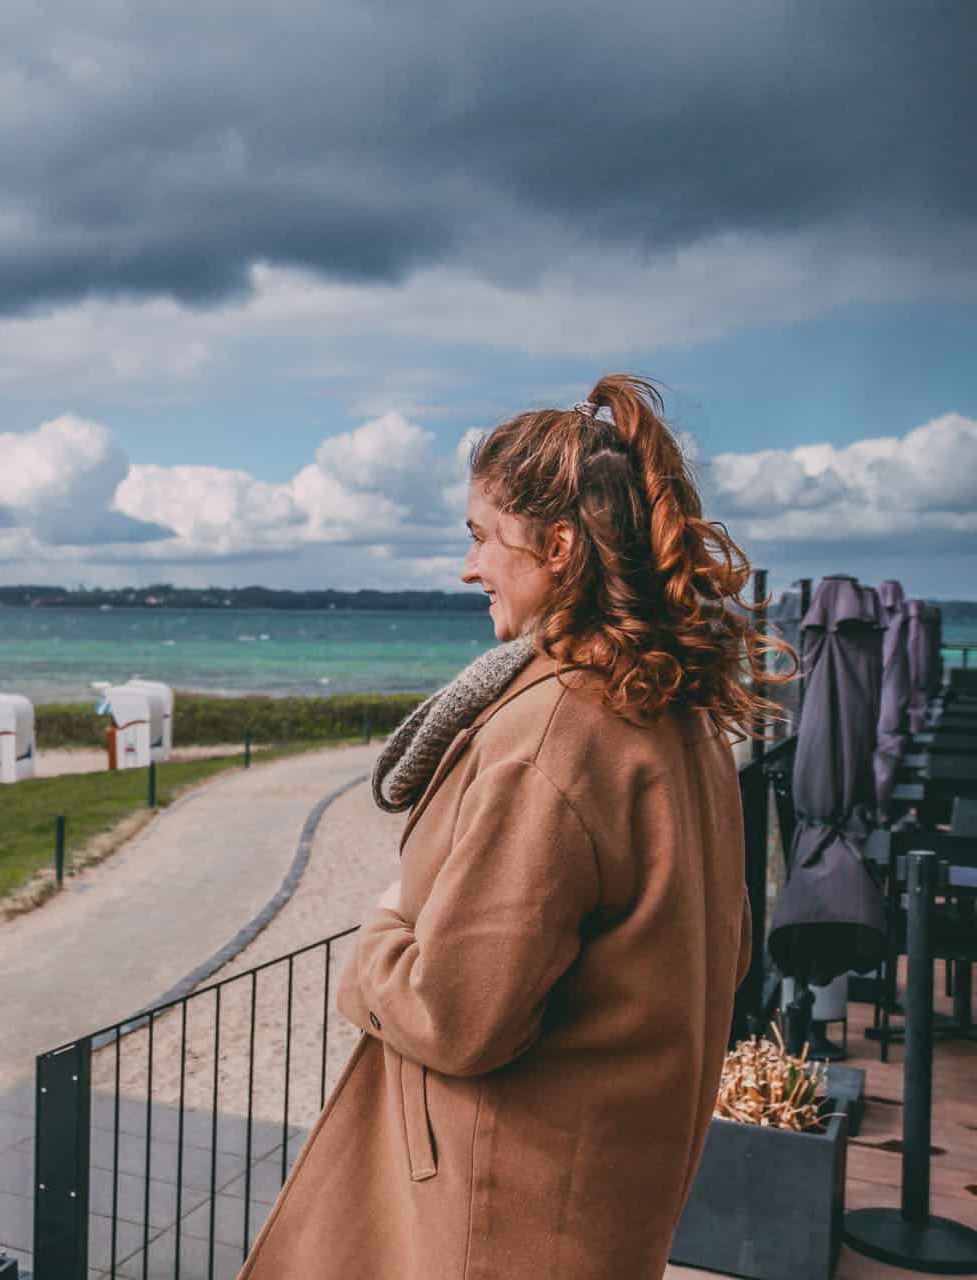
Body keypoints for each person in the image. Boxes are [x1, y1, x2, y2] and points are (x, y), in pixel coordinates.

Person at [239, 375, 780, 1280]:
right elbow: (724, 952)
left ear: (558, 546)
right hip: (606, 1189)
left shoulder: (555, 734)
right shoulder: (675, 712)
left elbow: (458, 1019)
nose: (468, 567)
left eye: (483, 537)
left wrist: (378, 934)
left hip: (495, 1213)